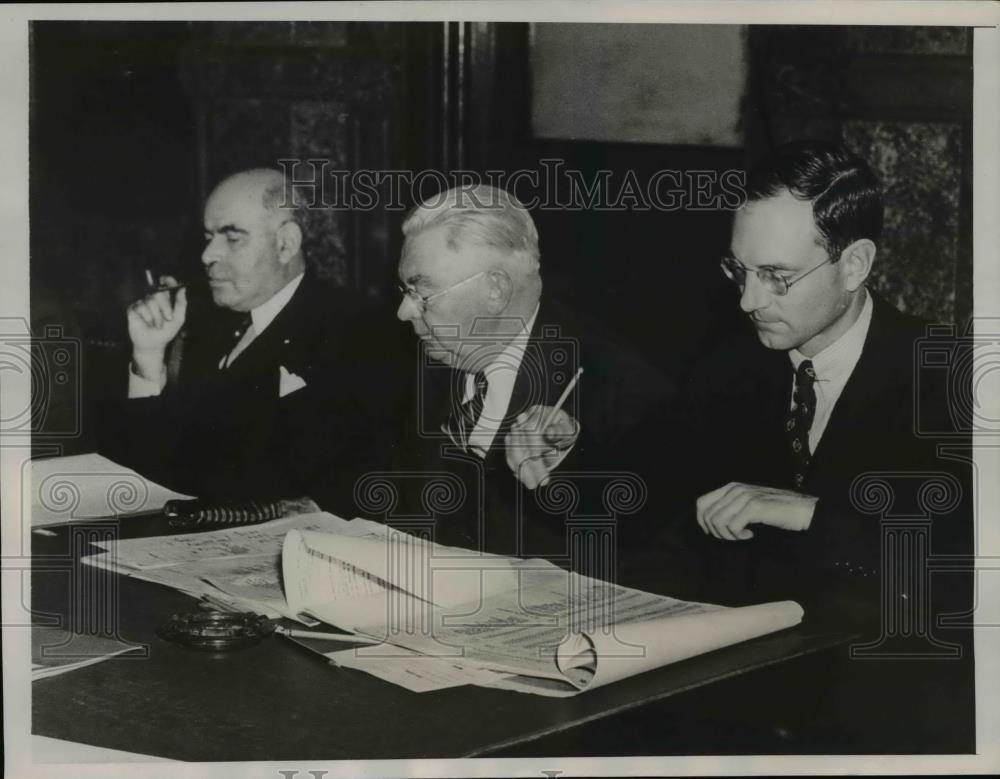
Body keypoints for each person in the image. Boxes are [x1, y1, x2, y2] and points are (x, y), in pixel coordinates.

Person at [661, 140, 972, 626]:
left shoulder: (952, 377)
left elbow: (963, 568)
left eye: (775, 276)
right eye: (739, 271)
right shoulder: (728, 366)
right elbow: (665, 497)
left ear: (854, 265)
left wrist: (812, 514)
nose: (748, 301)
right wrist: (572, 457)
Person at [316, 185, 672, 564]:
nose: (404, 312)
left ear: (495, 289)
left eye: (422, 293)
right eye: (404, 290)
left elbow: (646, 546)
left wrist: (565, 464)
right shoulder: (438, 358)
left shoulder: (619, 384)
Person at [101, 168, 400, 501]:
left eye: (232, 237)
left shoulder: (358, 331)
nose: (207, 256)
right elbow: (139, 473)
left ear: (285, 244)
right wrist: (148, 358)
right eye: (208, 237)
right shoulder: (202, 325)